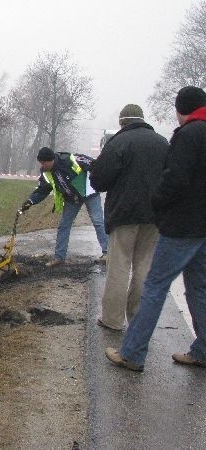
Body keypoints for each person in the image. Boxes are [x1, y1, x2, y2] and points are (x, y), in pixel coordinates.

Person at [106, 86, 206, 372]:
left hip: (181, 226)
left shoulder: (188, 134)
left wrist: (158, 204)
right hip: (203, 227)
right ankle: (203, 350)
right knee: (199, 289)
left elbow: (175, 179)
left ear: (181, 109)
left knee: (154, 287)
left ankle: (132, 353)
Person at [90, 104, 169, 331]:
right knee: (144, 266)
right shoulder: (162, 143)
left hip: (124, 214)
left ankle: (112, 320)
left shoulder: (118, 143)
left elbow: (99, 181)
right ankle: (138, 319)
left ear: (122, 122)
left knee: (119, 265)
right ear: (143, 119)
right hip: (154, 215)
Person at [21, 147, 108, 267]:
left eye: (43, 163)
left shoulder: (70, 159)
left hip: (89, 192)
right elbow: (42, 190)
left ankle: (107, 253)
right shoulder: (46, 172)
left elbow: (95, 164)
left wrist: (98, 181)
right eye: (41, 163)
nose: (42, 165)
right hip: (72, 198)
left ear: (51, 160)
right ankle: (59, 258)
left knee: (98, 221)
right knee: (64, 226)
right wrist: (30, 201)